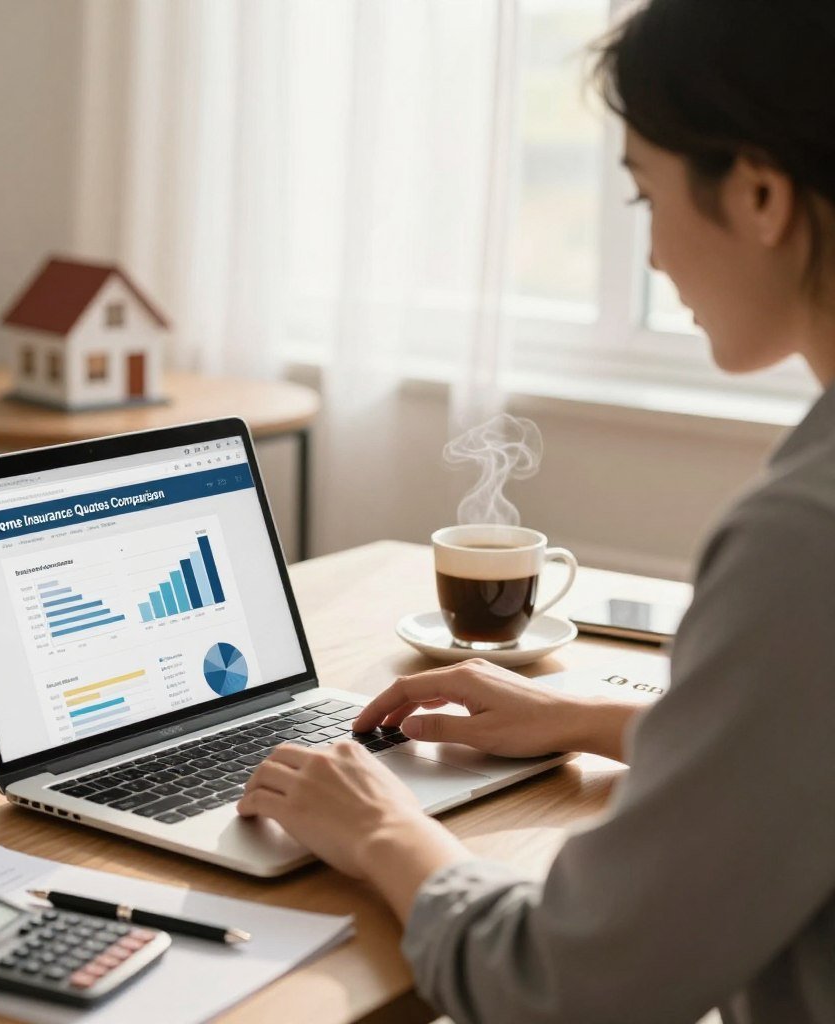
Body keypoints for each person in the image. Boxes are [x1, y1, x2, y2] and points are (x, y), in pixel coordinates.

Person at [236, 1, 835, 1021]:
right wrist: (596, 718)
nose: (649, 257)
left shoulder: (801, 540)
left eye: (644, 197)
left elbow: (574, 983)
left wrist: (382, 827)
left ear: (762, 192)